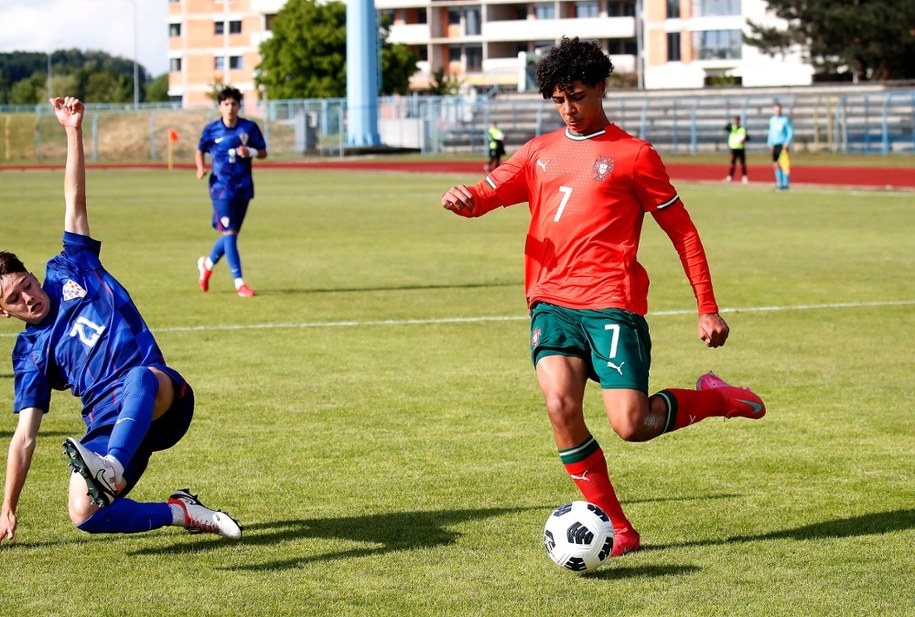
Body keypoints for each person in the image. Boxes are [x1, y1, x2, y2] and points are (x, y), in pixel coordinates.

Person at [440, 37, 765, 558]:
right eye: (559, 99)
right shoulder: (539, 152)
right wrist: (465, 199)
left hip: (611, 304)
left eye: (578, 96)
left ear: (602, 88)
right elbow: (489, 192)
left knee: (631, 425)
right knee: (559, 405)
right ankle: (619, 527)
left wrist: (707, 306)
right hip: (551, 301)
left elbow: (682, 231)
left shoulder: (635, 155)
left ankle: (717, 397)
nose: (569, 108)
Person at [0, 97, 241, 546]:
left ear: (34, 274)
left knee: (137, 378)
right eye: (15, 298)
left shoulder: (71, 267)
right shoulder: (30, 354)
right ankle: (181, 512)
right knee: (82, 512)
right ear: (4, 311)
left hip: (159, 393)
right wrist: (7, 506)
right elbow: (24, 437)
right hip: (108, 425)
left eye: (27, 284)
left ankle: (109, 468)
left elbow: (74, 198)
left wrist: (72, 131)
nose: (29, 297)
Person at [195, 86, 267, 298]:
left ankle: (206, 264)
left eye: (234, 104)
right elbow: (200, 150)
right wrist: (200, 167)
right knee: (230, 233)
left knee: (231, 234)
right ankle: (239, 283)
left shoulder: (249, 128)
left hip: (243, 187)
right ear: (220, 106)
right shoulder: (211, 130)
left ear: (239, 106)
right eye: (226, 104)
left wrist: (251, 151)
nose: (230, 108)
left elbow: (263, 152)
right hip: (220, 188)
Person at [767, 103, 793, 191]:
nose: (777, 111)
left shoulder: (785, 120)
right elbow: (770, 132)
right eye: (776, 110)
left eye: (779, 110)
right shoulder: (772, 120)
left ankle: (786, 184)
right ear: (773, 110)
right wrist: (769, 143)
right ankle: (779, 184)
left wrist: (787, 142)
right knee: (776, 165)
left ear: (781, 110)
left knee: (784, 164)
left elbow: (790, 131)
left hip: (783, 145)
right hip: (774, 145)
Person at [724, 115, 749, 184]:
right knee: (732, 163)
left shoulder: (743, 128)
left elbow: (748, 137)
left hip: (741, 148)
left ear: (739, 121)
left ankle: (744, 177)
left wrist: (744, 140)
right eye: (734, 120)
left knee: (742, 164)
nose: (735, 121)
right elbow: (725, 128)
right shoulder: (732, 128)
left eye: (736, 120)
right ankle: (730, 177)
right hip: (733, 148)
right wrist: (730, 123)